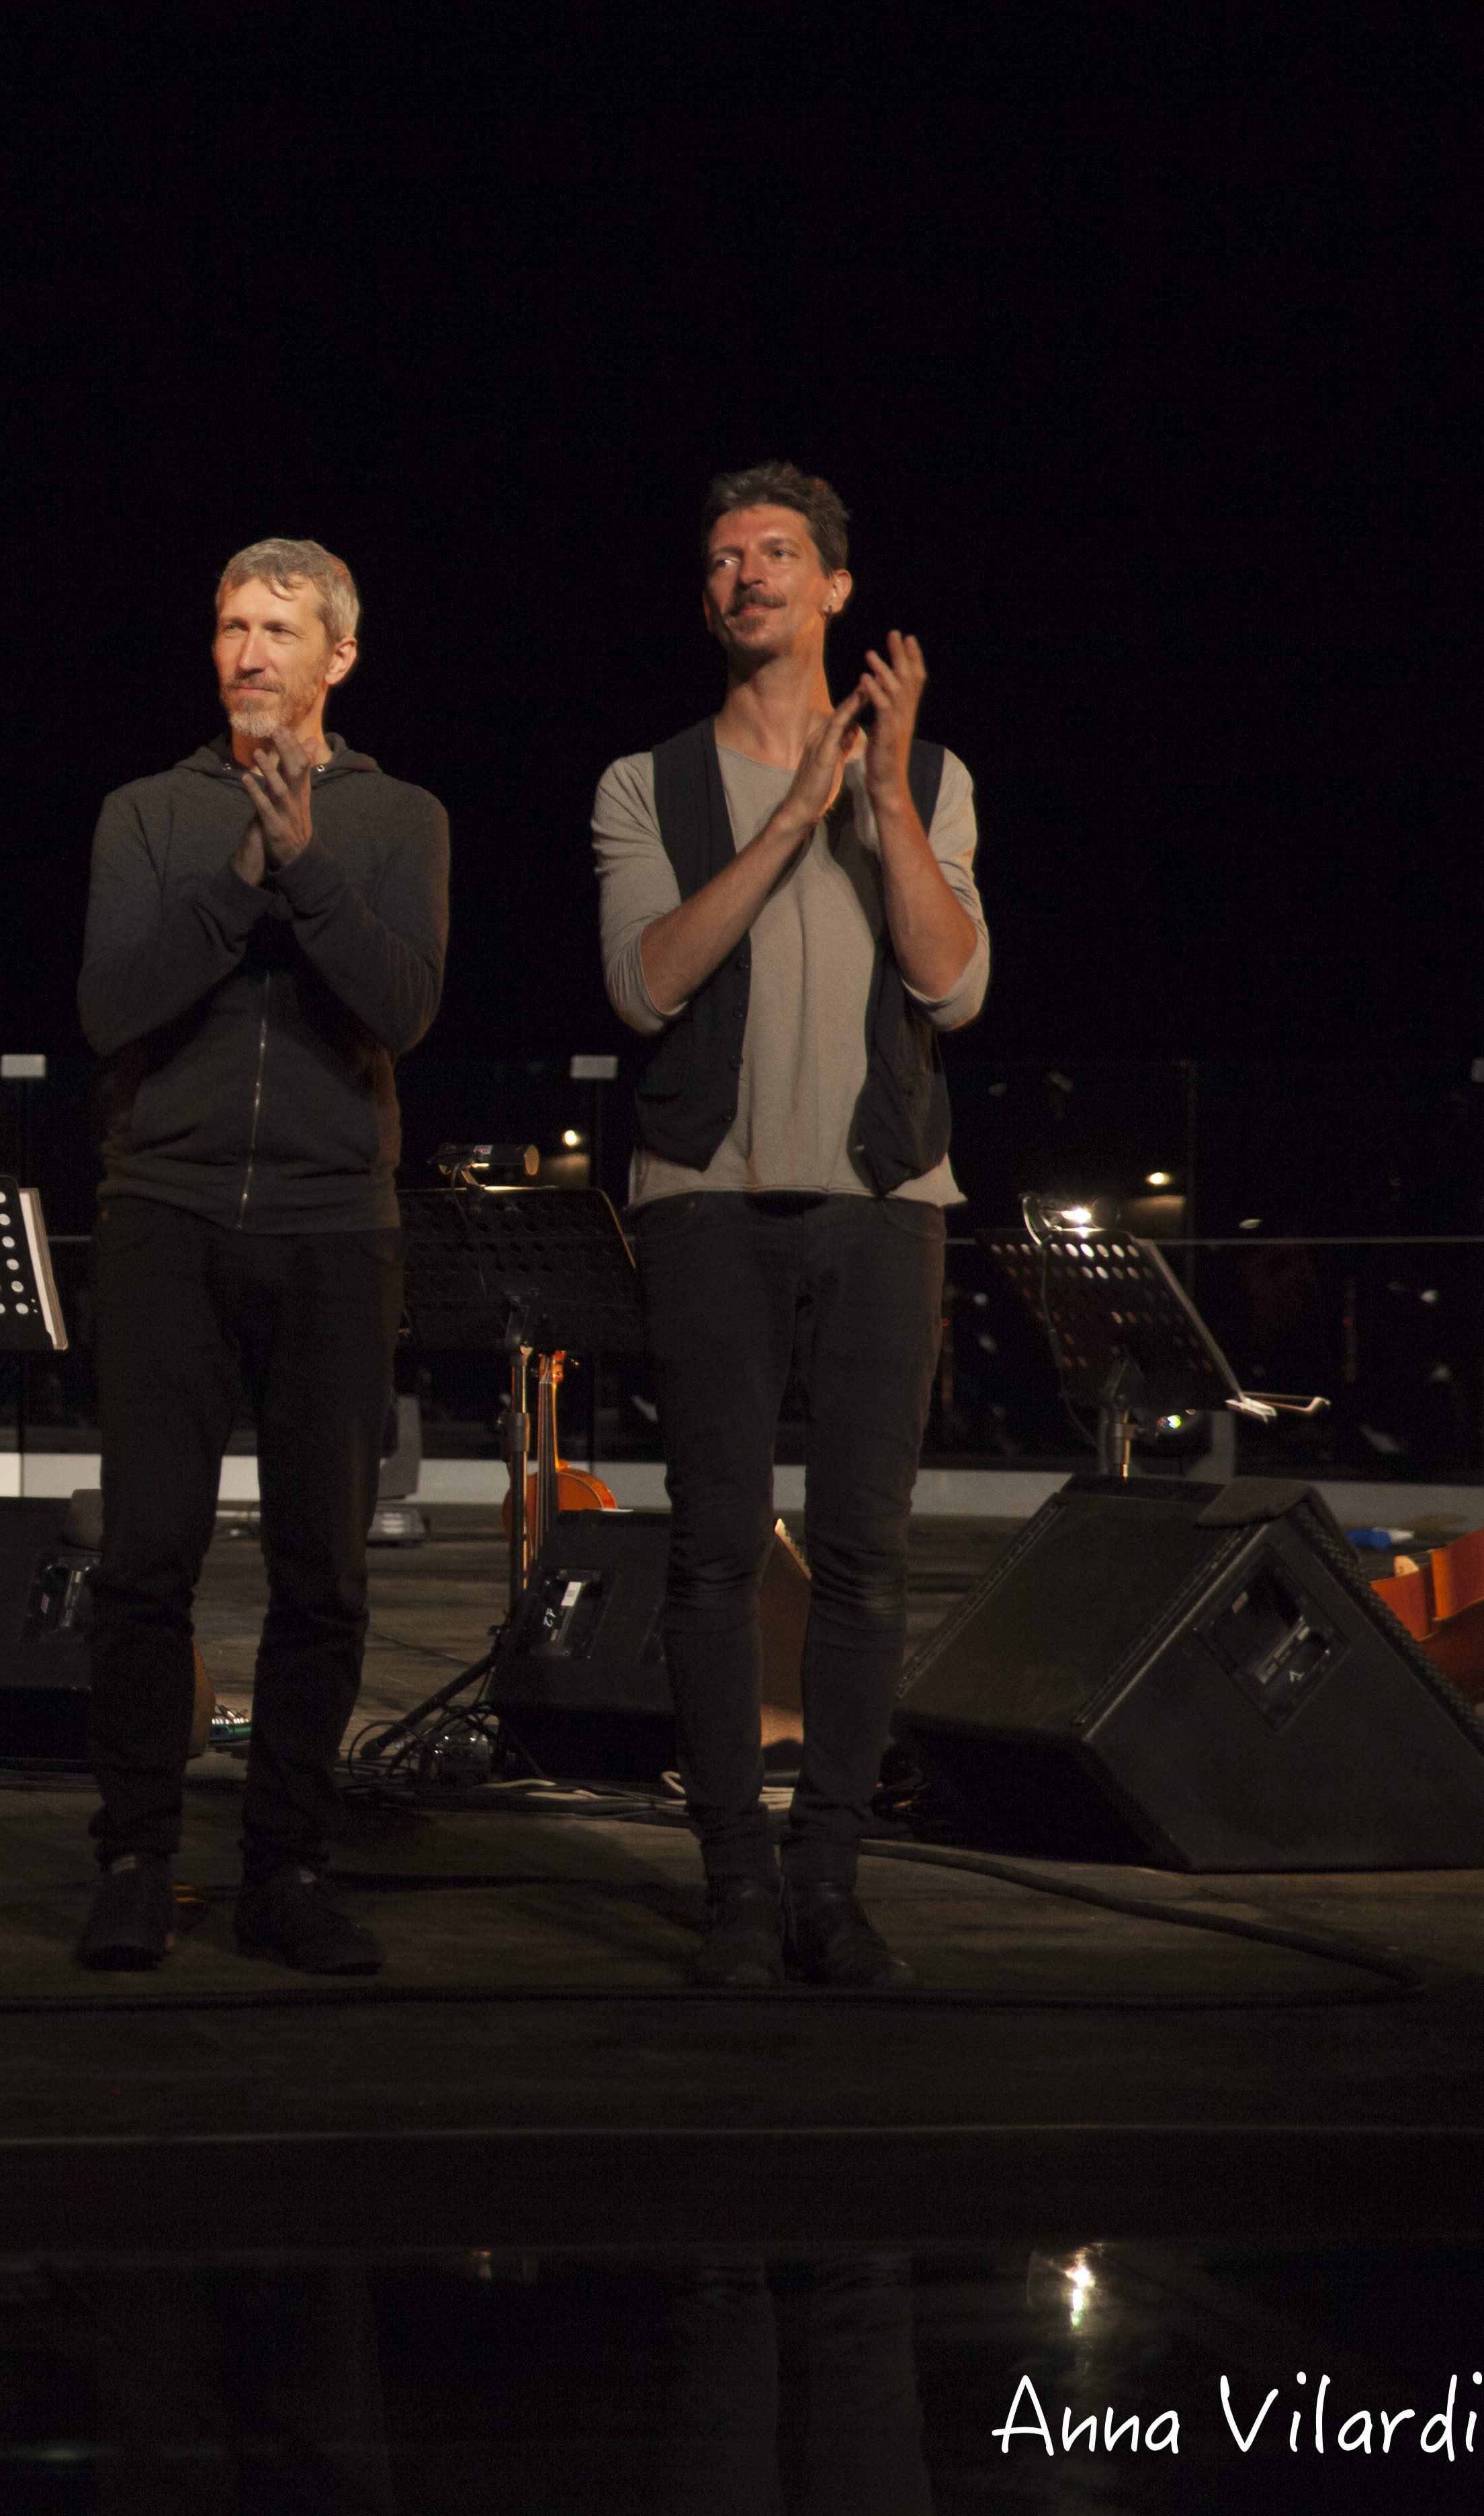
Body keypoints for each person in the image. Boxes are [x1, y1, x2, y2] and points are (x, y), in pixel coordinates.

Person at [593, 461, 988, 1990]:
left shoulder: (935, 776)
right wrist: (787, 827)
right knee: (708, 1555)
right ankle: (737, 1885)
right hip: (707, 1207)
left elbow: (955, 985)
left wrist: (878, 799)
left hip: (887, 1207)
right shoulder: (651, 783)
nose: (746, 575)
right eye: (723, 559)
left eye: (776, 554)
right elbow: (643, 985)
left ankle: (831, 1879)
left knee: (868, 1557)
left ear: (835, 587)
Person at [71, 539, 449, 1972]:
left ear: (337, 657)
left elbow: (400, 1006)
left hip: (333, 1229)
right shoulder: (149, 812)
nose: (248, 653)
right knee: (145, 1563)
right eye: (231, 625)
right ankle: (132, 1855)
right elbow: (118, 1003)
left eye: (280, 630)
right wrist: (244, 866)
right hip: (164, 1213)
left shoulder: (404, 815)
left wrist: (309, 864)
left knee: (323, 1573)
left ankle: (287, 1865)